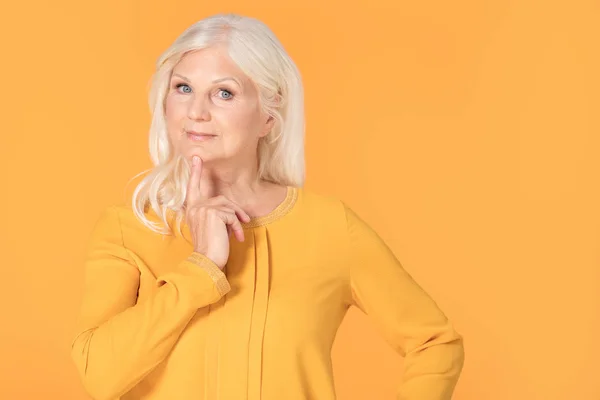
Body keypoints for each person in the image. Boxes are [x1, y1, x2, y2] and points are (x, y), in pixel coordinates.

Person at [70, 12, 465, 400]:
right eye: (183, 88)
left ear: (268, 118)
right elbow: (99, 376)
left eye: (224, 92)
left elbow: (434, 342)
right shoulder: (128, 229)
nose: (196, 112)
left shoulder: (327, 227)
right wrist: (201, 267)